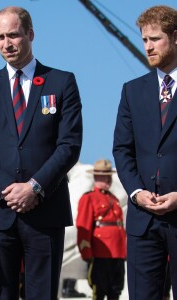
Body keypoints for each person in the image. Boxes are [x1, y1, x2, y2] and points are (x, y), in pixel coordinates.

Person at [0, 6, 82, 300]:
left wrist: (34, 187)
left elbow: (69, 145)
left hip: (45, 209)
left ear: (30, 34)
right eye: (0, 37)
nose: (7, 43)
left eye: (13, 35)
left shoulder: (61, 82)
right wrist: (8, 190)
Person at [113, 5, 177, 300]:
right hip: (143, 220)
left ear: (175, 38)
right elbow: (122, 149)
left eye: (155, 39)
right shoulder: (132, 91)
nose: (148, 46)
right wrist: (136, 191)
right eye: (144, 40)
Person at [76, 159, 126, 300]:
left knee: (115, 290)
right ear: (97, 176)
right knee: (99, 290)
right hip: (100, 252)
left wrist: (124, 250)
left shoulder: (114, 199)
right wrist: (87, 252)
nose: (109, 179)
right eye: (105, 175)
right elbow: (84, 228)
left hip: (117, 253)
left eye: (109, 175)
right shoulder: (89, 198)